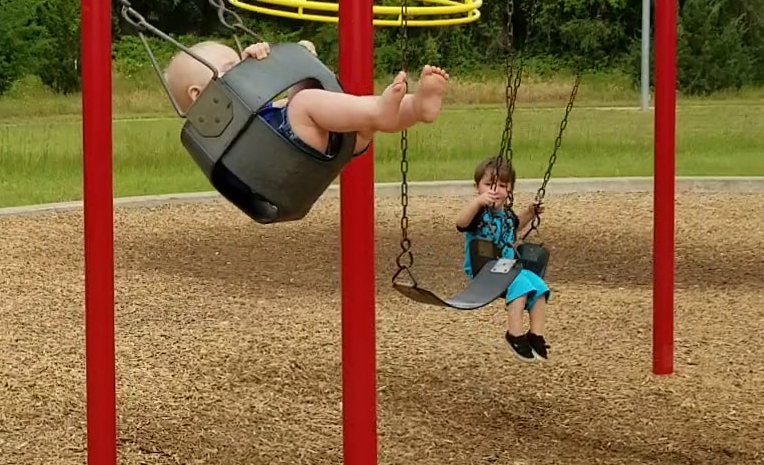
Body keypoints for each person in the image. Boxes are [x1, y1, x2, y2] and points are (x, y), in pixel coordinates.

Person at [162, 38, 450, 158]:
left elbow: (278, 109)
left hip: (322, 141)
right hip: (286, 155)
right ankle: (380, 111)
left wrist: (288, 63)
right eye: (231, 69)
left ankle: (415, 106)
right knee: (303, 104)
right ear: (198, 94)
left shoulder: (250, 112)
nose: (241, 73)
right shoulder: (212, 129)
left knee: (307, 96)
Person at [454, 155, 551, 360]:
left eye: (502, 185)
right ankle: (514, 334)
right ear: (477, 187)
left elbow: (514, 229)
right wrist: (477, 203)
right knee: (521, 283)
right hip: (485, 270)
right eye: (488, 184)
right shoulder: (479, 214)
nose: (495, 190)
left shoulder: (506, 216)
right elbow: (461, 223)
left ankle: (536, 335)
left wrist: (529, 213)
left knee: (539, 286)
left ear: (510, 190)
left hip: (506, 268)